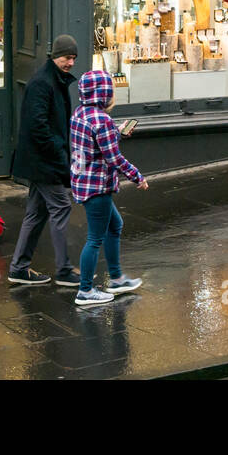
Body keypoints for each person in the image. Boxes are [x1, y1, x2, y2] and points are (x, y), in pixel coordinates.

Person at [7, 34, 81, 286]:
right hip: (43, 161)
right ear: (55, 56)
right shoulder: (43, 82)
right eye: (66, 57)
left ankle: (18, 267)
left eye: (73, 58)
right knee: (61, 207)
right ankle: (64, 271)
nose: (70, 62)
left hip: (42, 159)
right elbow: (38, 127)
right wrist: (59, 155)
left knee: (36, 213)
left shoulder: (54, 79)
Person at [69, 69, 147, 307]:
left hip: (83, 182)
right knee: (94, 238)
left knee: (115, 225)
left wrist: (117, 131)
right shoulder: (102, 120)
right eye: (110, 90)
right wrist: (137, 176)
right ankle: (85, 291)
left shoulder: (80, 113)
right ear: (103, 93)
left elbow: (97, 145)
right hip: (97, 186)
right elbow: (114, 159)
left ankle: (116, 278)